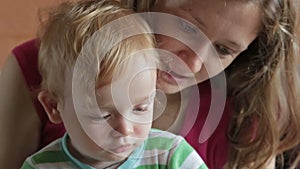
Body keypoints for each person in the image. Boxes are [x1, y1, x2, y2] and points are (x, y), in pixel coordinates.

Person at [0, 0, 299, 168]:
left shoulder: (246, 110)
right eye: (186, 27)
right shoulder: (38, 66)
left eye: (223, 50)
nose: (193, 64)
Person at [20, 0, 208, 168]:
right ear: (53, 106)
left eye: (141, 108)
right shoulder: (39, 166)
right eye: (103, 115)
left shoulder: (171, 156)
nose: (126, 129)